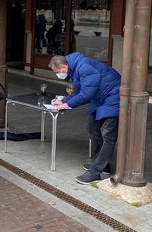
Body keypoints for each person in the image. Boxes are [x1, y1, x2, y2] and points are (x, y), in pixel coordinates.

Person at [48, 53, 120, 185]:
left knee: (108, 135)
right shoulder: (75, 68)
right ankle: (104, 164)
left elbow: (87, 94)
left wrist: (67, 104)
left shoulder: (83, 67)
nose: (57, 74)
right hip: (102, 98)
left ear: (64, 67)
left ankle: (95, 171)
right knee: (92, 128)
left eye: (57, 72)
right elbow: (80, 91)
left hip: (114, 96)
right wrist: (63, 101)